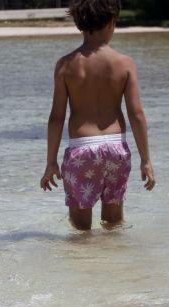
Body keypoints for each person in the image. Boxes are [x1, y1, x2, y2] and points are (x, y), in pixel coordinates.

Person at [40, 0, 155, 230]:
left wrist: (51, 162)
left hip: (82, 149)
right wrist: (146, 160)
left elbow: (56, 118)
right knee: (113, 223)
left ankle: (87, 264)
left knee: (81, 227)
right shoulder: (124, 64)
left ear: (79, 25)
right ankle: (112, 263)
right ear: (112, 22)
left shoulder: (65, 66)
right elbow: (137, 115)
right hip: (116, 149)